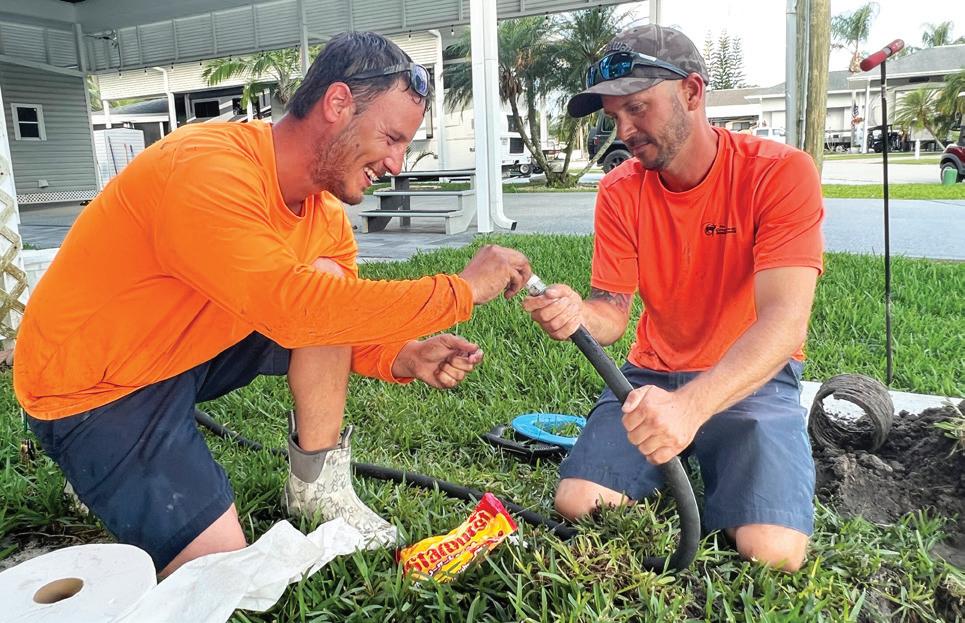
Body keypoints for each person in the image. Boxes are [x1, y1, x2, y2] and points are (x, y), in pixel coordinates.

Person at [14, 31, 531, 577]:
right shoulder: (207, 169)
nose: (398, 164)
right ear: (337, 103)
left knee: (329, 281)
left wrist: (403, 355)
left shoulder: (322, 212)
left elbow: (333, 316)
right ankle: (91, 467)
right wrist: (461, 290)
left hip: (174, 352)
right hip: (93, 385)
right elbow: (297, 311)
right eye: (391, 138)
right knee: (215, 573)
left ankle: (317, 488)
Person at [524, 25, 824, 572]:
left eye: (637, 108)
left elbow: (785, 323)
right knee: (578, 503)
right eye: (614, 116)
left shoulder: (779, 173)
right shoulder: (620, 190)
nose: (624, 131)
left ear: (691, 91)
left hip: (750, 378)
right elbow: (611, 313)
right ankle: (685, 448)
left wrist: (690, 409)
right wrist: (576, 312)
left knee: (772, 552)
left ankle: (721, 447)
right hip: (652, 375)